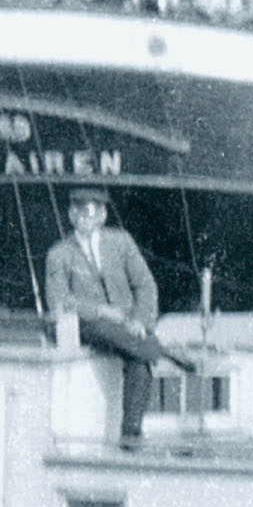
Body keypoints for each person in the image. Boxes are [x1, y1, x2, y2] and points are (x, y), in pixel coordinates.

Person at [44, 187, 160, 451]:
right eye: (78, 212)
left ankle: (130, 436)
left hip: (127, 328)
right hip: (87, 326)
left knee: (139, 363)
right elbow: (59, 301)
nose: (83, 218)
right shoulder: (59, 254)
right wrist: (101, 311)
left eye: (90, 212)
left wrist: (140, 321)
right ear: (70, 215)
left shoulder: (121, 243)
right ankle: (152, 347)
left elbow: (145, 285)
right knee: (109, 332)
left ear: (102, 215)